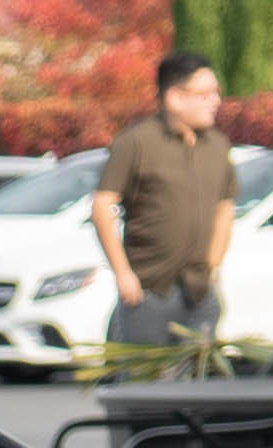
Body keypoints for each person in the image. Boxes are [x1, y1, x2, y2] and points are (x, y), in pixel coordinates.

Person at [93, 51, 237, 349]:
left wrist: (213, 264)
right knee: (143, 387)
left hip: (199, 291)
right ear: (175, 97)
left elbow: (225, 207)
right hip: (148, 290)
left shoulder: (217, 146)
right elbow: (102, 205)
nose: (215, 101)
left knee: (194, 388)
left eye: (216, 93)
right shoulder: (136, 143)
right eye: (205, 94)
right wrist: (123, 274)